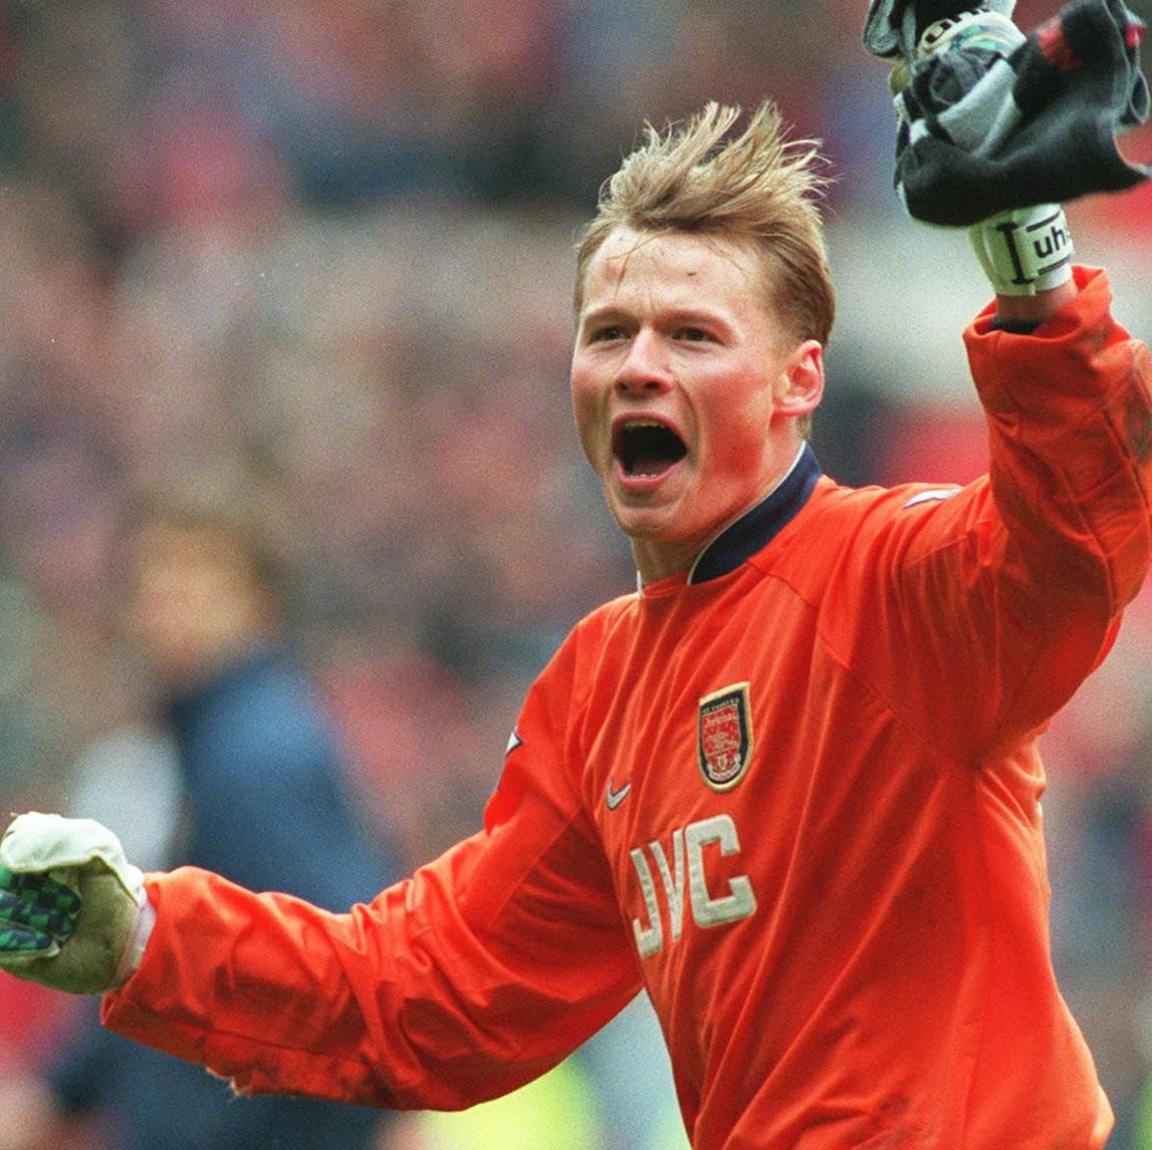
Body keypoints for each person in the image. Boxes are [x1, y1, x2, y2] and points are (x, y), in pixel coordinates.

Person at [2, 6, 1151, 1147]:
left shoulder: (893, 578)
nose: (640, 366)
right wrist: (148, 935)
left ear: (799, 383)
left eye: (693, 336)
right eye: (609, 333)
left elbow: (1073, 534)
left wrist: (1030, 263)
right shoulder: (601, 689)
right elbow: (431, 992)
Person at [0, 495, 398, 1150]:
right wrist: (59, 1090)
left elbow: (336, 967)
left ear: (261, 602)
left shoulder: (258, 755)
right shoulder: (208, 744)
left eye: (200, 575)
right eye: (153, 576)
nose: (169, 598)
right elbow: (154, 952)